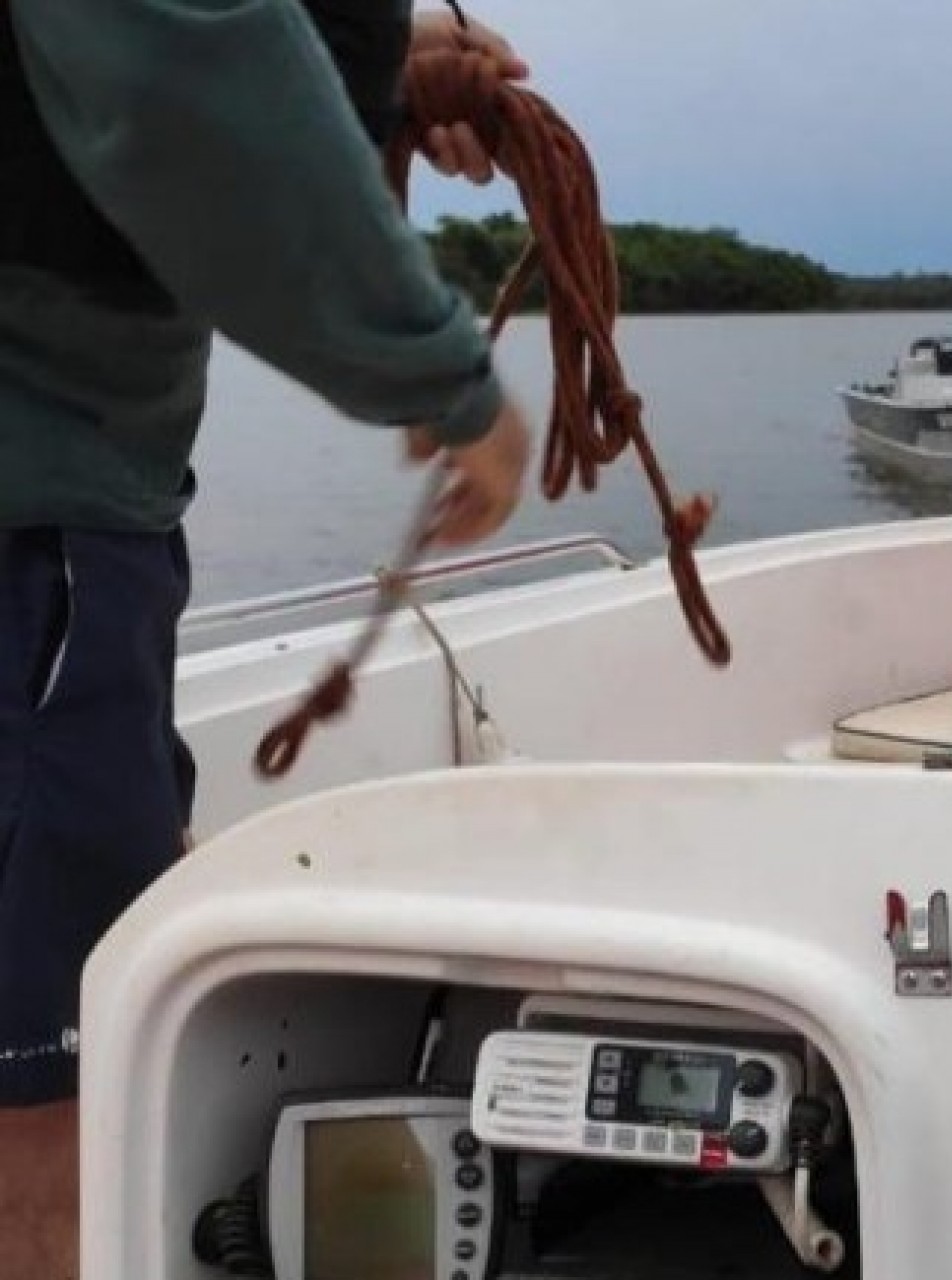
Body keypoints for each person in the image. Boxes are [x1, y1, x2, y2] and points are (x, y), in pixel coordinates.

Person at [0, 2, 534, 1275]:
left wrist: (360, 71)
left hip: (68, 534)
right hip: (37, 543)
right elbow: (186, 69)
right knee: (60, 1121)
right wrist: (442, 378)